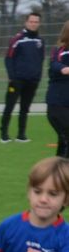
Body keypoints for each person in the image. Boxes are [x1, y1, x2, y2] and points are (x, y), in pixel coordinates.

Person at [1, 13, 44, 143]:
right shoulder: (17, 39)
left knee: (25, 108)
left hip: (32, 80)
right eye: (31, 21)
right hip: (17, 80)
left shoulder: (40, 41)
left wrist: (37, 76)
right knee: (10, 106)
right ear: (26, 23)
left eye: (36, 22)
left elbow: (40, 59)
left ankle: (21, 135)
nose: (33, 24)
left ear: (39, 23)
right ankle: (4, 134)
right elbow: (8, 58)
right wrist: (12, 77)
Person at [46, 22, 69, 158]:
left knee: (64, 141)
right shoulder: (60, 51)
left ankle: (57, 175)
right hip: (58, 105)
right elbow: (55, 64)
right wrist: (63, 69)